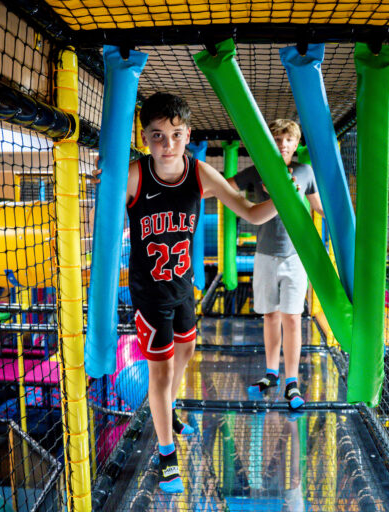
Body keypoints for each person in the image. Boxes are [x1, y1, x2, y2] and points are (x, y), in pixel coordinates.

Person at [94, 92, 283, 494]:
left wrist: (284, 200)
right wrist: (103, 185)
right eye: (158, 136)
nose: (168, 145)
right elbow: (106, 213)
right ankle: (166, 456)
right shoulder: (135, 176)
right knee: (160, 374)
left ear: (188, 134)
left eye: (176, 135)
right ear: (144, 137)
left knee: (187, 352)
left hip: (182, 289)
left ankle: (169, 408)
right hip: (150, 296)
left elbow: (251, 213)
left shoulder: (199, 173)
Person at [227, 119, 324, 410]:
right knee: (270, 316)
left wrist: (348, 216)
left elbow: (319, 206)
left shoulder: (304, 172)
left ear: (296, 144)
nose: (283, 144)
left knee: (292, 318)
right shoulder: (258, 171)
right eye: (278, 139)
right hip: (265, 256)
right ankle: (271, 374)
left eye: (288, 140)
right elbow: (226, 188)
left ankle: (292, 382)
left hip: (295, 256)